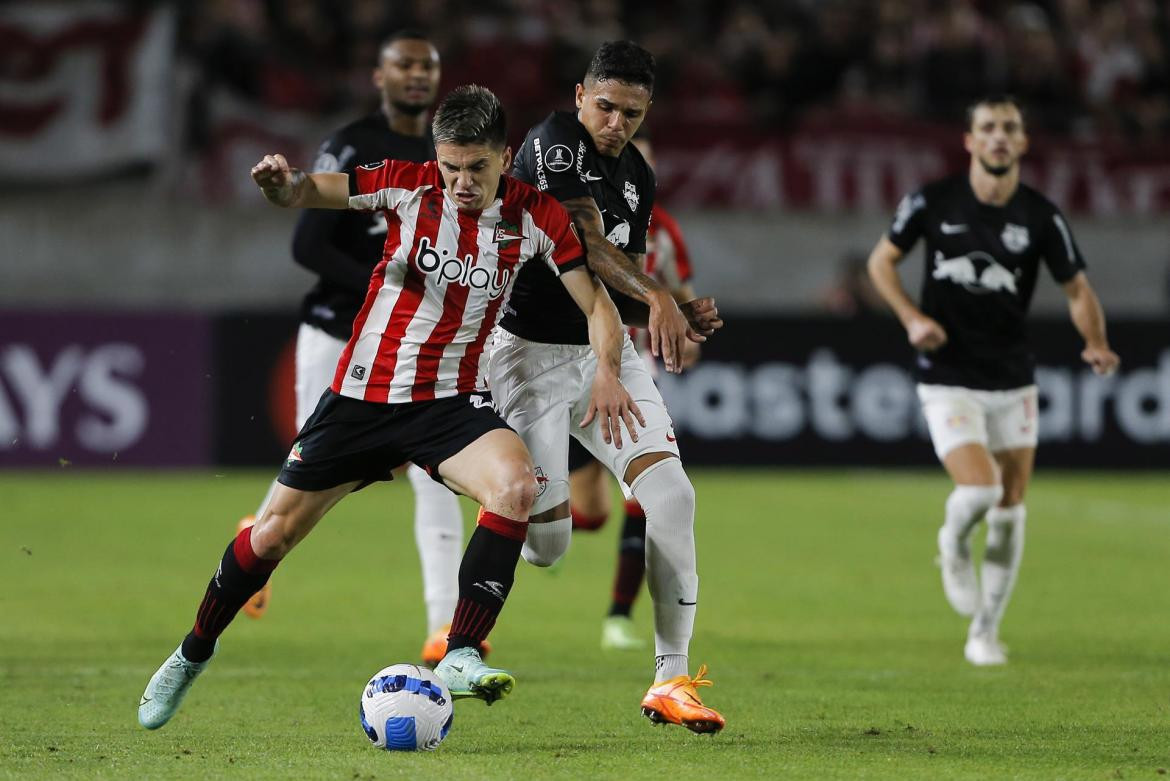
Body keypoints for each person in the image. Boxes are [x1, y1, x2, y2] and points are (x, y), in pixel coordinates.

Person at [138, 85, 642, 730]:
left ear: (504, 156)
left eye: (477, 168)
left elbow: (597, 304)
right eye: (451, 166)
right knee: (272, 536)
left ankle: (460, 652)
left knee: (516, 486)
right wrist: (280, 185)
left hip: (449, 403)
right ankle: (191, 653)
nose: (461, 182)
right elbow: (310, 191)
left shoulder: (538, 217)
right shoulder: (405, 184)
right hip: (362, 399)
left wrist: (606, 371)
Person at [495, 41, 726, 733]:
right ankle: (478, 479)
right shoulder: (553, 146)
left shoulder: (637, 175)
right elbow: (587, 246)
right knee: (550, 545)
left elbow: (621, 269)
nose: (616, 122)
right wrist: (656, 294)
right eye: (605, 105)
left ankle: (671, 677)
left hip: (605, 349)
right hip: (526, 357)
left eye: (631, 111)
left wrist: (668, 305)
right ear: (578, 96)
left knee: (672, 495)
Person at [866, 94, 1120, 666]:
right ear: (970, 140)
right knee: (980, 491)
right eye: (988, 127)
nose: (1000, 136)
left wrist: (1096, 342)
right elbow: (881, 262)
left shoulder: (1040, 215)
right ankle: (952, 544)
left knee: (1010, 511)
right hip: (948, 375)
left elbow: (1076, 288)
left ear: (1024, 142)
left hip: (1012, 377)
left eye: (1010, 128)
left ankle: (984, 632)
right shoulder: (933, 201)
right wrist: (912, 318)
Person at [237, 30, 464, 666]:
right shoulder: (354, 144)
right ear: (379, 76)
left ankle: (445, 628)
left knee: (436, 476)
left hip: (415, 344)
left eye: (428, 65)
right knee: (314, 470)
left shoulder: (450, 153)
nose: (417, 75)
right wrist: (381, 286)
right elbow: (307, 245)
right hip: (339, 332)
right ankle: (255, 542)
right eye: (404, 65)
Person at [566, 133, 702, 654]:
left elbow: (680, 291)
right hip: (571, 374)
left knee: (651, 496)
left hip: (632, 367)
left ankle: (619, 617)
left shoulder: (661, 228)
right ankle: (541, 527)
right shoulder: (568, 215)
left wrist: (688, 330)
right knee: (590, 515)